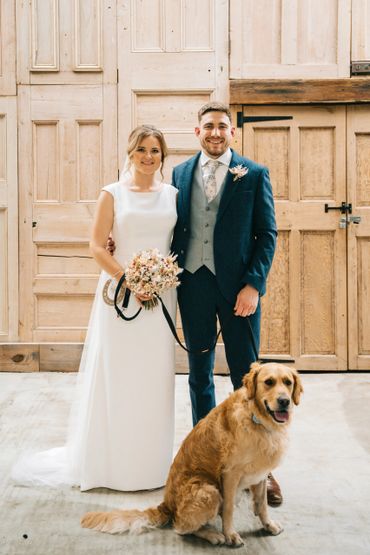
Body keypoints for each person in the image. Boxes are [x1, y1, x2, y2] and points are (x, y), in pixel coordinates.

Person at [12, 125, 178, 491]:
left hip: (161, 297)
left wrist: (156, 279)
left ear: (162, 156)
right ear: (130, 153)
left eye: (155, 151)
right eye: (141, 150)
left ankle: (150, 464)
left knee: (154, 378)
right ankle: (111, 464)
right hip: (121, 294)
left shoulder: (173, 195)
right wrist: (130, 280)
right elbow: (97, 247)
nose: (148, 157)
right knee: (118, 374)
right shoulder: (113, 194)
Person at [170, 101, 282, 506]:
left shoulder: (253, 174)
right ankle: (209, 461)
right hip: (194, 286)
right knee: (199, 374)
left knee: (247, 379)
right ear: (196, 131)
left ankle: (261, 471)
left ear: (232, 132)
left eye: (222, 126)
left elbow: (267, 234)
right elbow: (168, 224)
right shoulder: (179, 173)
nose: (215, 133)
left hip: (239, 292)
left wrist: (253, 285)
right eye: (208, 126)